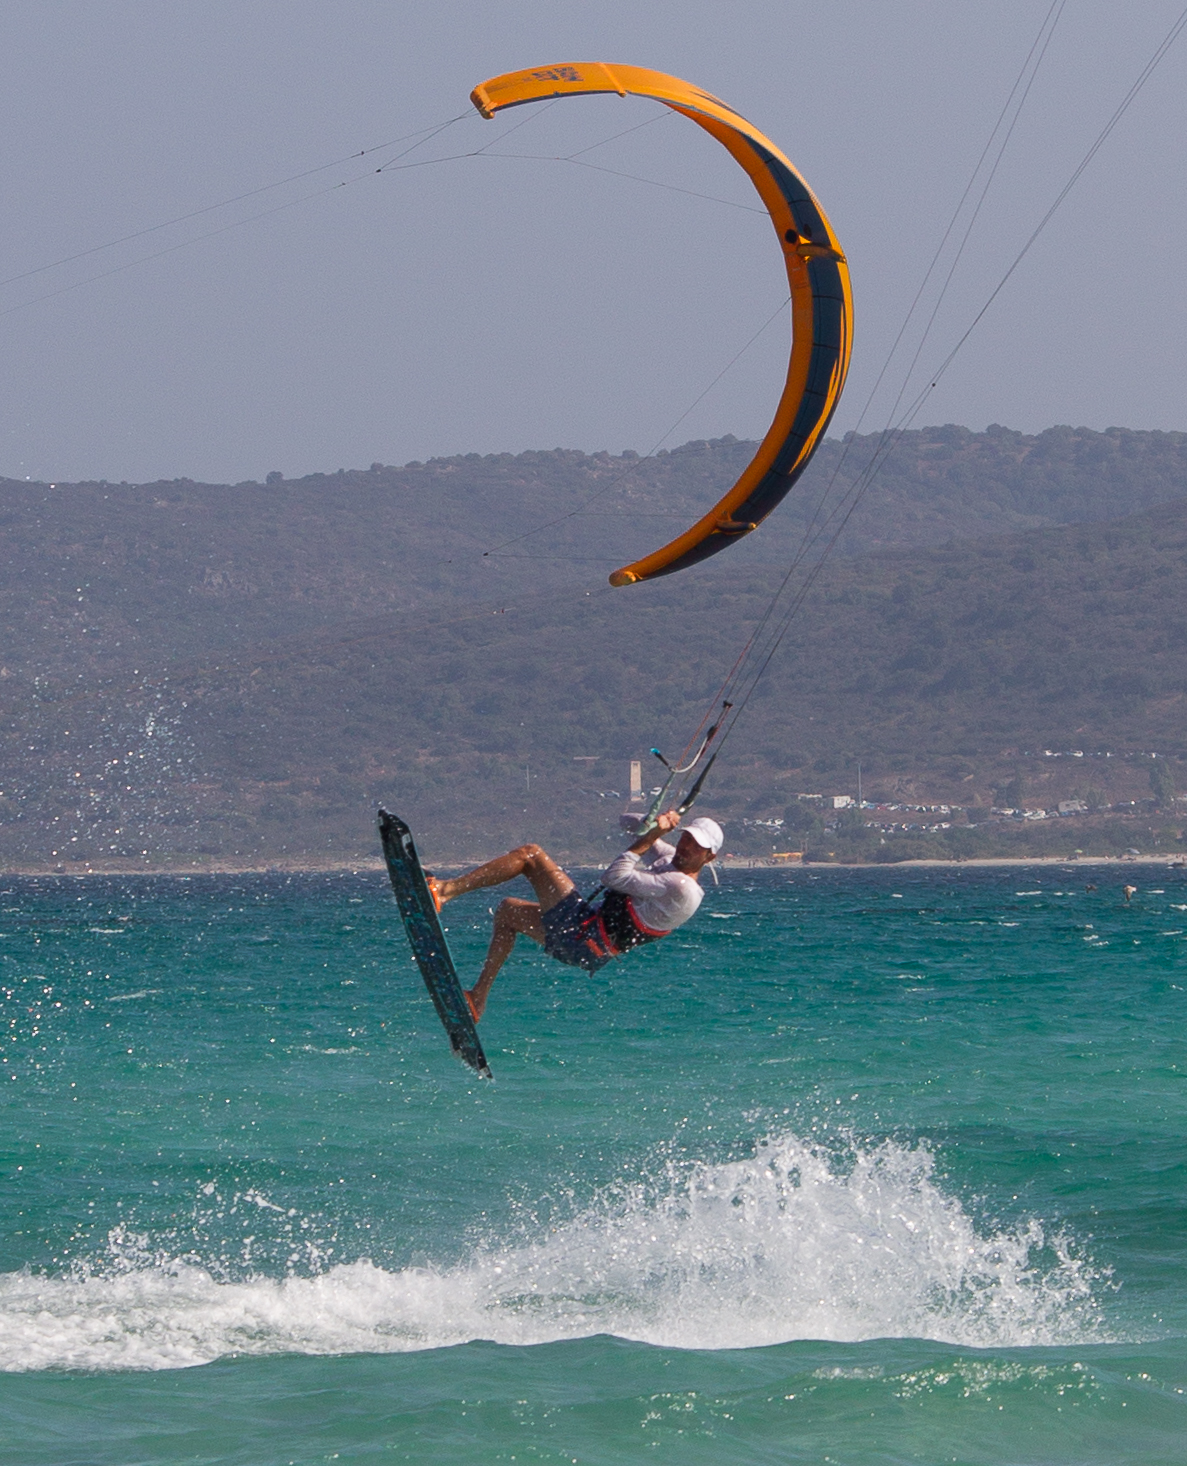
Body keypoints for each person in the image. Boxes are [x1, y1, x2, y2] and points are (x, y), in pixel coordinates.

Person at [429, 809, 724, 1020]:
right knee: (508, 911)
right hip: (587, 941)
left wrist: (654, 835)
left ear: (709, 856)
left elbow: (613, 877)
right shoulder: (672, 861)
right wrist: (654, 819)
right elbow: (627, 822)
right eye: (686, 838)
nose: (686, 847)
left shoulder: (682, 888)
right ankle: (478, 999)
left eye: (696, 846)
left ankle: (444, 891)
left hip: (585, 937)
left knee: (530, 855)